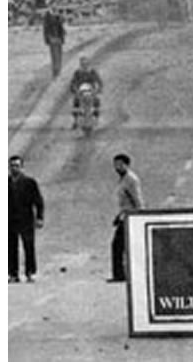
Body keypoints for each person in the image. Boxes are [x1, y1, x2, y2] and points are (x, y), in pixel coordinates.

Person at [108, 154, 144, 283]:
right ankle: (121, 273)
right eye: (115, 164)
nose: (117, 167)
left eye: (120, 164)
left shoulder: (131, 180)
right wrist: (118, 216)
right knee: (121, 246)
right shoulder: (123, 179)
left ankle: (120, 275)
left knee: (118, 245)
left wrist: (139, 217)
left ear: (127, 165)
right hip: (125, 217)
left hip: (131, 218)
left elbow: (137, 200)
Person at [8, 155, 44, 283]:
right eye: (12, 166)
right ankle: (13, 274)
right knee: (11, 248)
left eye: (17, 166)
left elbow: (38, 201)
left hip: (26, 219)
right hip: (10, 220)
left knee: (28, 246)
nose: (14, 168)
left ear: (22, 167)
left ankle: (31, 272)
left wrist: (39, 217)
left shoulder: (29, 183)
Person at [69, 56, 103, 130]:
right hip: (80, 92)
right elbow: (72, 83)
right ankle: (75, 121)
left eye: (86, 64)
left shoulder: (92, 72)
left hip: (91, 92)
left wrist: (98, 89)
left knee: (97, 102)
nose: (84, 66)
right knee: (75, 103)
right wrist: (74, 89)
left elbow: (99, 81)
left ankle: (96, 120)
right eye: (83, 64)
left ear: (88, 64)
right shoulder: (77, 72)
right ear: (80, 65)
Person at [42, 0, 66, 78]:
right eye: (53, 4)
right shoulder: (47, 15)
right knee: (54, 56)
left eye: (56, 4)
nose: (55, 6)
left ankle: (59, 71)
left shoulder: (58, 14)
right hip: (52, 37)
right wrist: (47, 39)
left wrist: (60, 17)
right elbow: (45, 28)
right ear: (50, 5)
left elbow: (61, 25)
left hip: (58, 37)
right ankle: (55, 73)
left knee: (59, 55)